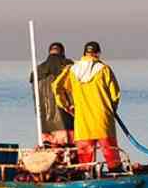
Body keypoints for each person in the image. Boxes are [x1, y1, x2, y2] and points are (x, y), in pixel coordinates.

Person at [52, 41, 121, 171]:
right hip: (103, 120)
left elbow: (56, 87)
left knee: (85, 159)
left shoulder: (72, 70)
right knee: (111, 154)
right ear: (98, 53)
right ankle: (116, 174)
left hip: (82, 121)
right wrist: (112, 110)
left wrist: (66, 106)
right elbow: (115, 95)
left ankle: (86, 176)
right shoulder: (104, 69)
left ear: (84, 53)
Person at [31, 41, 74, 144]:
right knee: (69, 153)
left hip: (44, 123)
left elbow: (35, 97)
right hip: (65, 120)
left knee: (50, 151)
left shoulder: (37, 71)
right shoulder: (68, 67)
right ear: (63, 52)